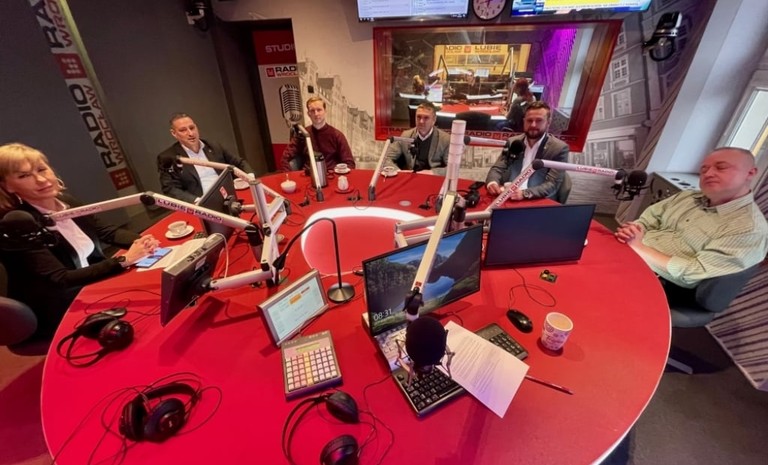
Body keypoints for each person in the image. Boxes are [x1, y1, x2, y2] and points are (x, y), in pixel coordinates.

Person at [0, 143, 159, 337]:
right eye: (24, 176)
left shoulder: (67, 202)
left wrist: (142, 241)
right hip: (59, 307)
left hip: (89, 286)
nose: (41, 179)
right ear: (7, 186)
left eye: (41, 169)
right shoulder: (17, 225)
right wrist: (124, 260)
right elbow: (61, 279)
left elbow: (105, 231)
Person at [615, 147, 768, 289]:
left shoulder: (748, 229)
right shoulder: (687, 197)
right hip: (630, 254)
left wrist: (639, 247)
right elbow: (649, 219)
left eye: (721, 167)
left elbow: (692, 274)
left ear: (750, 173)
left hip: (662, 281)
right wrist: (632, 232)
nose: (708, 174)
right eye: (704, 169)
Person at [157, 113, 254, 204]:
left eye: (192, 128)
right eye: (183, 130)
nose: (190, 133)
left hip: (229, 197)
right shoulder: (168, 157)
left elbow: (239, 163)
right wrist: (197, 201)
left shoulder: (214, 146)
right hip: (202, 204)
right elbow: (170, 189)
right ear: (174, 133)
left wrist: (250, 178)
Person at [485, 101, 568, 201]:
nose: (533, 125)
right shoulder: (513, 142)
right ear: (524, 121)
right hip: (509, 197)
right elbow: (498, 168)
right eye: (529, 120)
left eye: (539, 120)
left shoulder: (559, 148)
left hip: (536, 200)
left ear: (548, 123)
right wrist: (492, 183)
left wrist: (524, 194)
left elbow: (552, 184)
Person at [280, 97, 356, 172]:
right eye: (312, 111)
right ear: (308, 114)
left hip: (331, 175)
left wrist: (340, 176)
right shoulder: (303, 134)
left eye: (319, 110)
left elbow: (350, 163)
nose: (316, 114)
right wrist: (289, 176)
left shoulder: (337, 135)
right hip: (308, 175)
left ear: (325, 111)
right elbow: (285, 158)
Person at [384, 101, 450, 174]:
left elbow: (453, 168)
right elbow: (386, 158)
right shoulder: (406, 135)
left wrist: (432, 172)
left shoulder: (445, 139)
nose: (421, 121)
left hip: (431, 178)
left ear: (434, 119)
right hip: (411, 176)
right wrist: (399, 172)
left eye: (426, 118)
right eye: (418, 117)